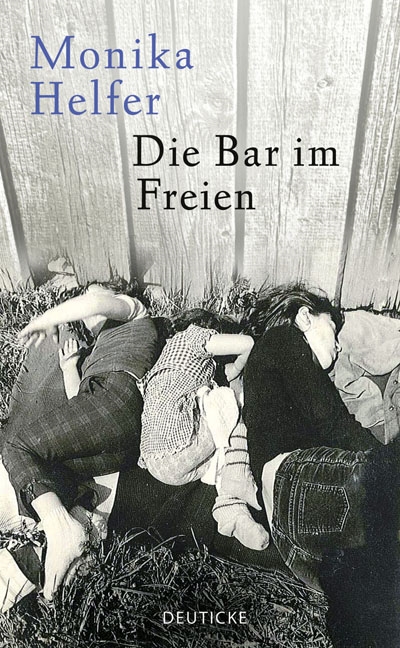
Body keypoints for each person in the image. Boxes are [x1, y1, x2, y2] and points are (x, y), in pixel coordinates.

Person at [1, 279, 159, 600]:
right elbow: (79, 413)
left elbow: (94, 304)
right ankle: (50, 550)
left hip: (116, 399)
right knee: (47, 469)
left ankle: (63, 531)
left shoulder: (135, 312)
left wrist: (45, 318)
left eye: (93, 292)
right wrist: (69, 367)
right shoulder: (104, 344)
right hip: (115, 430)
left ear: (117, 294)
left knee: (18, 447)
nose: (87, 309)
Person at [241, 283, 391, 591]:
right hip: (298, 482)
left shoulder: (266, 375)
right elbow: (333, 421)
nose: (338, 347)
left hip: (292, 543)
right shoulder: (283, 338)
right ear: (305, 317)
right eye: (333, 330)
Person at [137, 308, 269, 550]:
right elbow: (248, 343)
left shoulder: (166, 362)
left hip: (158, 465)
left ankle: (232, 514)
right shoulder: (193, 336)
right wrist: (241, 365)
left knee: (222, 449)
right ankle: (238, 476)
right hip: (179, 442)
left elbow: (224, 374)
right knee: (230, 399)